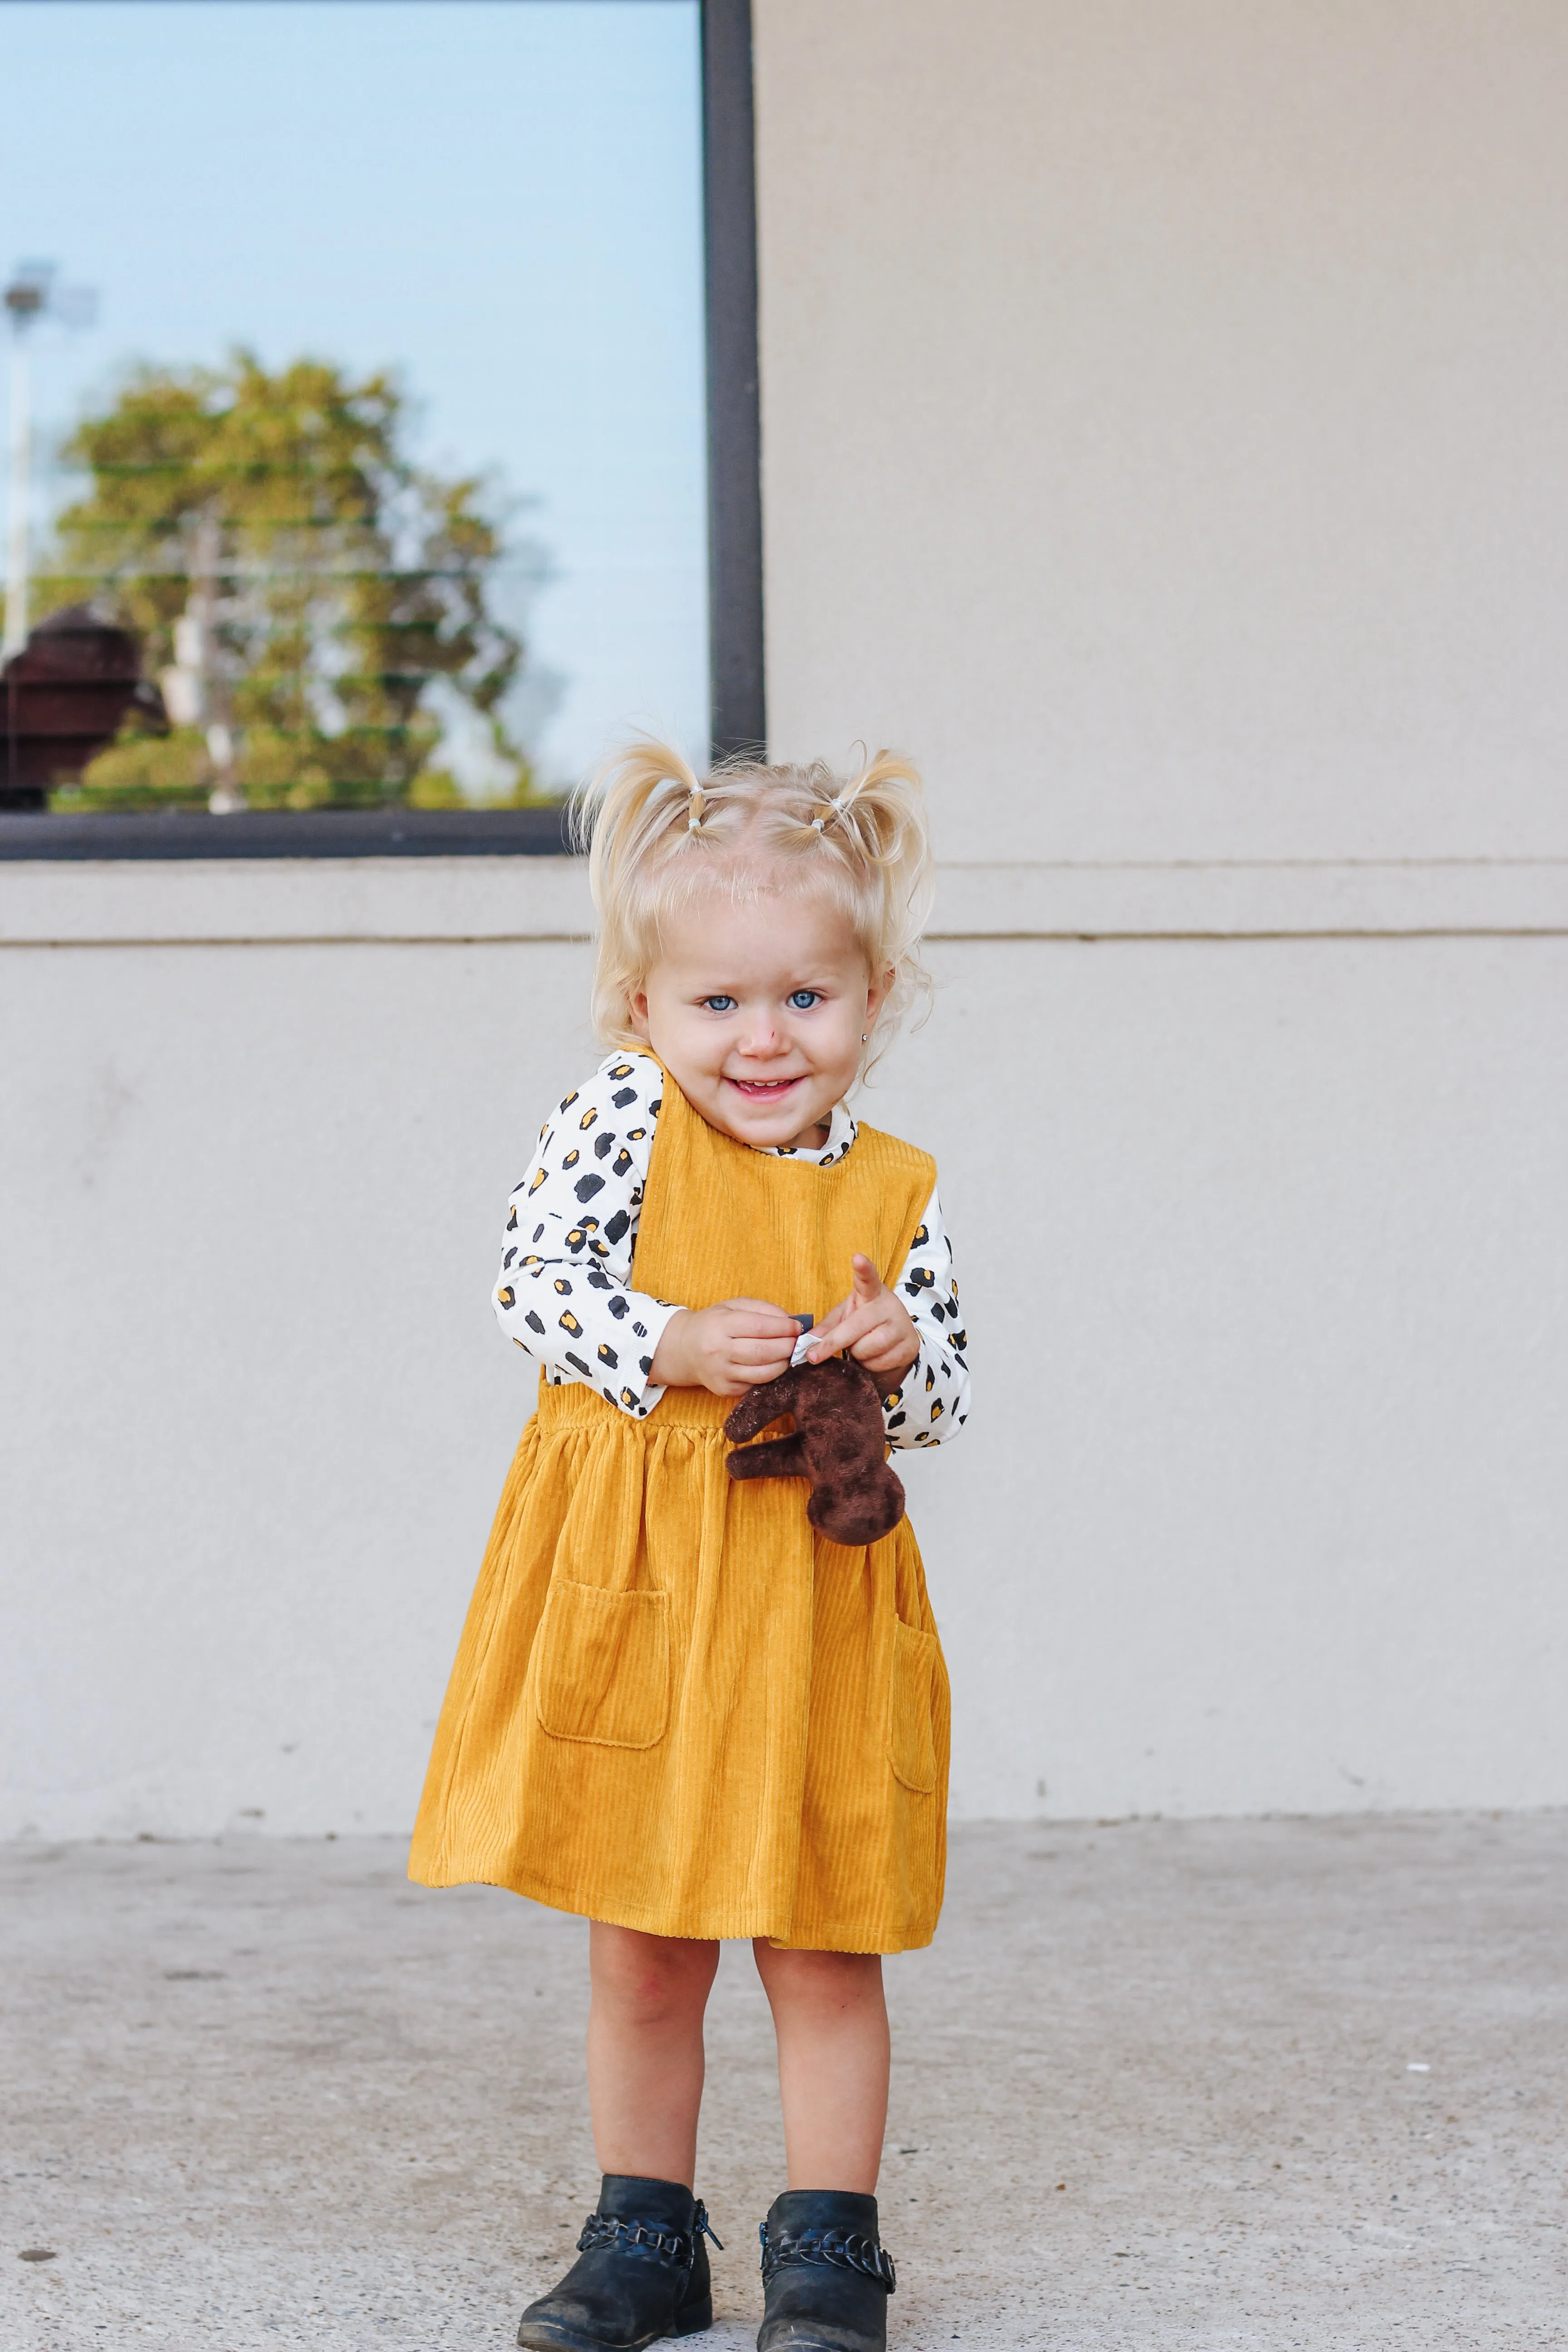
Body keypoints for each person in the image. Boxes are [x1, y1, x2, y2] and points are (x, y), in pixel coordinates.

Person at [409, 740, 970, 2352]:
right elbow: (530, 1274)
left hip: (814, 1606)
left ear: (872, 998)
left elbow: (948, 1390)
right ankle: (643, 2232)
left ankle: (829, 2249)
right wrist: (659, 1338)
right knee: (646, 1940)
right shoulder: (618, 1119)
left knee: (823, 1935)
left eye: (807, 997)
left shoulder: (898, 1186)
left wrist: (891, 1357)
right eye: (716, 1004)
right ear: (643, 1010)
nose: (764, 1038)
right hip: (648, 1600)